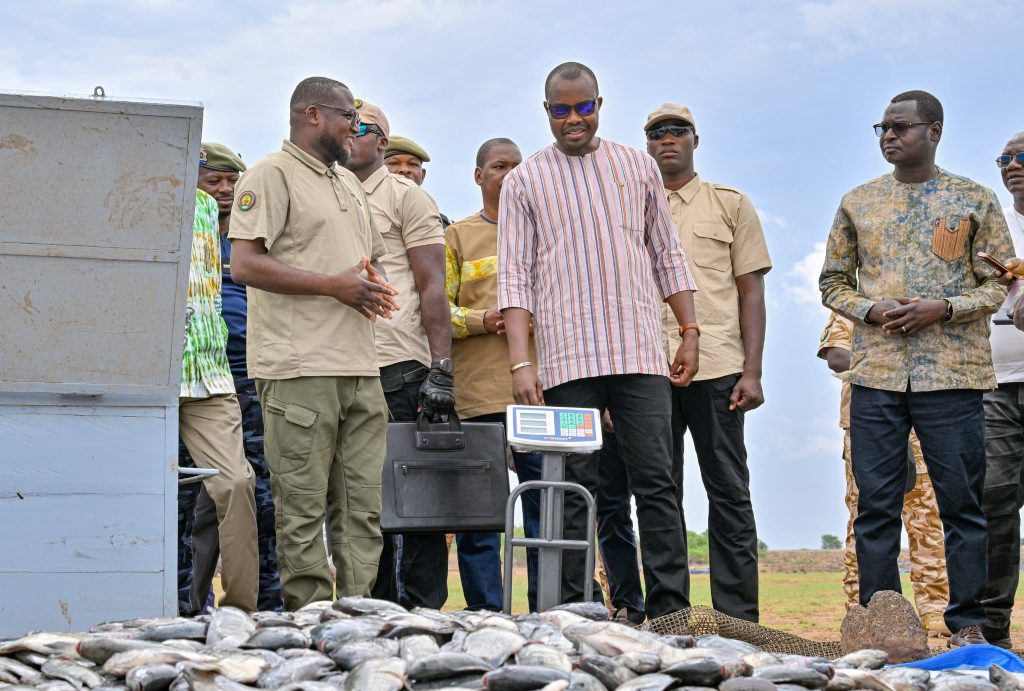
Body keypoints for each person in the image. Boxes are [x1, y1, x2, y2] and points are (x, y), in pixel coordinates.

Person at [498, 61, 698, 619]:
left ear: (599, 104)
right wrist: (520, 362)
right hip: (567, 361)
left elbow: (667, 255)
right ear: (547, 113)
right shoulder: (525, 180)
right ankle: (573, 610)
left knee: (656, 482)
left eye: (582, 107)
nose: (573, 119)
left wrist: (689, 331)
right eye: (561, 110)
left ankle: (670, 612)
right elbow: (514, 276)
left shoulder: (637, 167)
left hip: (639, 352)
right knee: (571, 486)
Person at [819, 90, 1012, 647]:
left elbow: (999, 283)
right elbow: (832, 283)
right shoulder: (859, 202)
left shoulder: (972, 200)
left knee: (962, 505)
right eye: (881, 127)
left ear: (935, 131)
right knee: (875, 508)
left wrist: (943, 308)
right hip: (876, 374)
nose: (888, 136)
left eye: (901, 127)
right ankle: (882, 625)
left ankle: (968, 624)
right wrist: (870, 309)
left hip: (951, 376)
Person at [228, 76, 398, 610]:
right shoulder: (270, 175)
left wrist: (369, 289)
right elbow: (244, 264)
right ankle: (308, 627)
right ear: (314, 115)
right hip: (299, 368)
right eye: (350, 117)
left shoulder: (346, 182)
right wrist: (334, 286)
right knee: (301, 508)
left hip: (360, 366)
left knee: (362, 509)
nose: (356, 127)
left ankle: (359, 617)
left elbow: (357, 263)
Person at [343, 100, 456, 609]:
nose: (351, 132)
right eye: (346, 123)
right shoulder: (325, 190)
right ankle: (372, 609)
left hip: (401, 366)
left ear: (382, 142)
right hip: (341, 363)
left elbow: (433, 286)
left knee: (417, 500)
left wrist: (440, 369)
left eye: (362, 126)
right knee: (357, 498)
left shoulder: (405, 197)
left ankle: (426, 612)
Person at [176, 143, 284, 614]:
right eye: (212, 180)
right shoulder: (178, 230)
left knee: (247, 487)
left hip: (235, 373)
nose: (223, 191)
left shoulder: (252, 242)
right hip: (176, 374)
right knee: (181, 500)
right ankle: (181, 602)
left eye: (229, 182)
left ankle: (253, 604)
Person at [445, 137, 544, 611]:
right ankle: (486, 613)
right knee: (481, 517)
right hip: (477, 394)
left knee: (546, 508)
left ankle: (549, 611)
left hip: (541, 394)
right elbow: (436, 312)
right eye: (499, 165)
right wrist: (483, 320)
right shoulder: (457, 237)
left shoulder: (551, 233)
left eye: (517, 166)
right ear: (479, 175)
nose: (509, 173)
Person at [818, 311, 950, 637]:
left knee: (928, 519)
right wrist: (890, 368)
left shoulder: (927, 304)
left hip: (924, 422)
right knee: (866, 518)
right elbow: (836, 356)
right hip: (868, 423)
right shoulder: (856, 305)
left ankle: (935, 613)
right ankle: (865, 611)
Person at [177, 184, 259, 612]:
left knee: (236, 482)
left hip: (209, 371)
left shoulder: (207, 206)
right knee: (149, 494)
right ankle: (178, 606)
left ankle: (239, 611)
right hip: (145, 374)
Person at [980, 130, 1024, 649]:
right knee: (994, 504)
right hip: (995, 387)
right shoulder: (991, 227)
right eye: (1004, 159)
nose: (1012, 165)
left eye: (1022, 156)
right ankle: (993, 634)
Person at [386, 135, 452, 227]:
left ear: (423, 175)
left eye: (412, 164)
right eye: (394, 163)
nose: (404, 169)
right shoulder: (363, 211)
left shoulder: (443, 225)